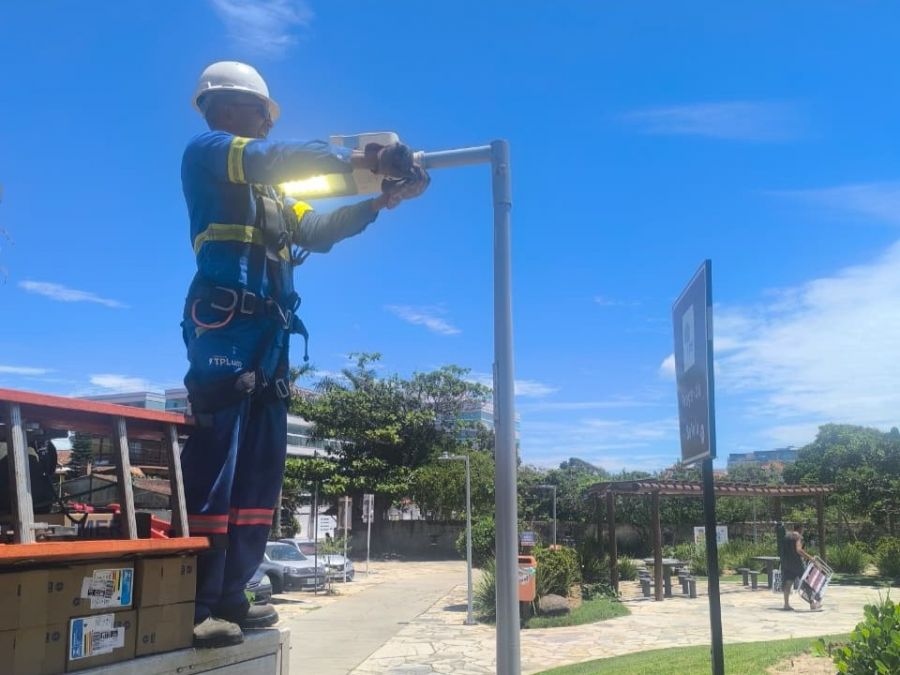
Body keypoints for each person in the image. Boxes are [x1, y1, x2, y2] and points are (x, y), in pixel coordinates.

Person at [178, 61, 429, 648]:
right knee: (219, 463)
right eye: (263, 112)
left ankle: (234, 594)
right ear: (229, 105)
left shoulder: (267, 195)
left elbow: (315, 231)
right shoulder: (210, 152)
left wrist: (379, 202)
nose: (268, 122)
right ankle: (199, 601)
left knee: (261, 472)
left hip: (269, 338)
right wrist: (360, 160)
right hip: (225, 328)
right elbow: (274, 157)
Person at [780, 523, 820, 610]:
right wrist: (810, 558)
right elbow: (799, 550)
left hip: (787, 564)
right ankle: (812, 604)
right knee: (807, 582)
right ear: (800, 529)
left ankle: (786, 604)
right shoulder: (798, 536)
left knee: (788, 583)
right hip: (797, 564)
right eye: (803, 529)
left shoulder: (786, 536)